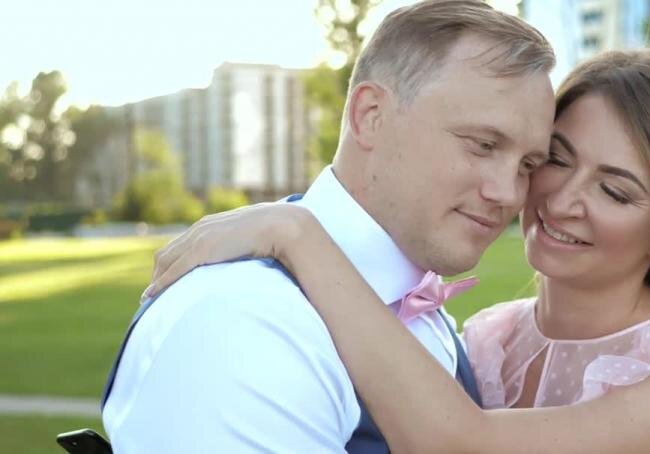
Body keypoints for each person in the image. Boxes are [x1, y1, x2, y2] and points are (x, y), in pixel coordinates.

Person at [149, 45, 650, 452]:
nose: (562, 199)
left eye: (614, 191)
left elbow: (459, 444)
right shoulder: (491, 338)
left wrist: (297, 232)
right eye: (555, 159)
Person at [100, 1, 556, 451]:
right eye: (482, 144)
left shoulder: (419, 306)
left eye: (528, 165)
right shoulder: (244, 323)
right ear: (370, 115)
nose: (509, 194)